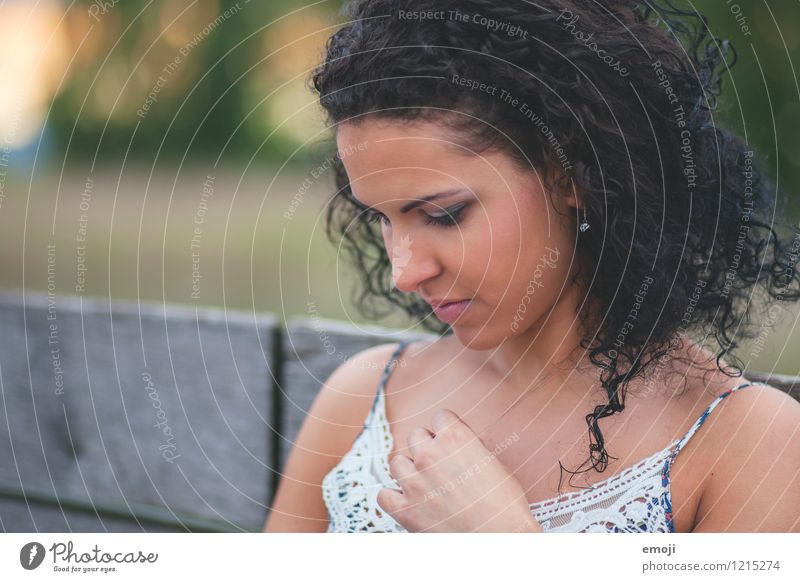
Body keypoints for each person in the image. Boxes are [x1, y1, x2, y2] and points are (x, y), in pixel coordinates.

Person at [264, 0, 800, 532]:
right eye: (381, 218)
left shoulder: (748, 441)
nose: (403, 274)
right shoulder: (362, 395)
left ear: (569, 174)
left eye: (443, 215)